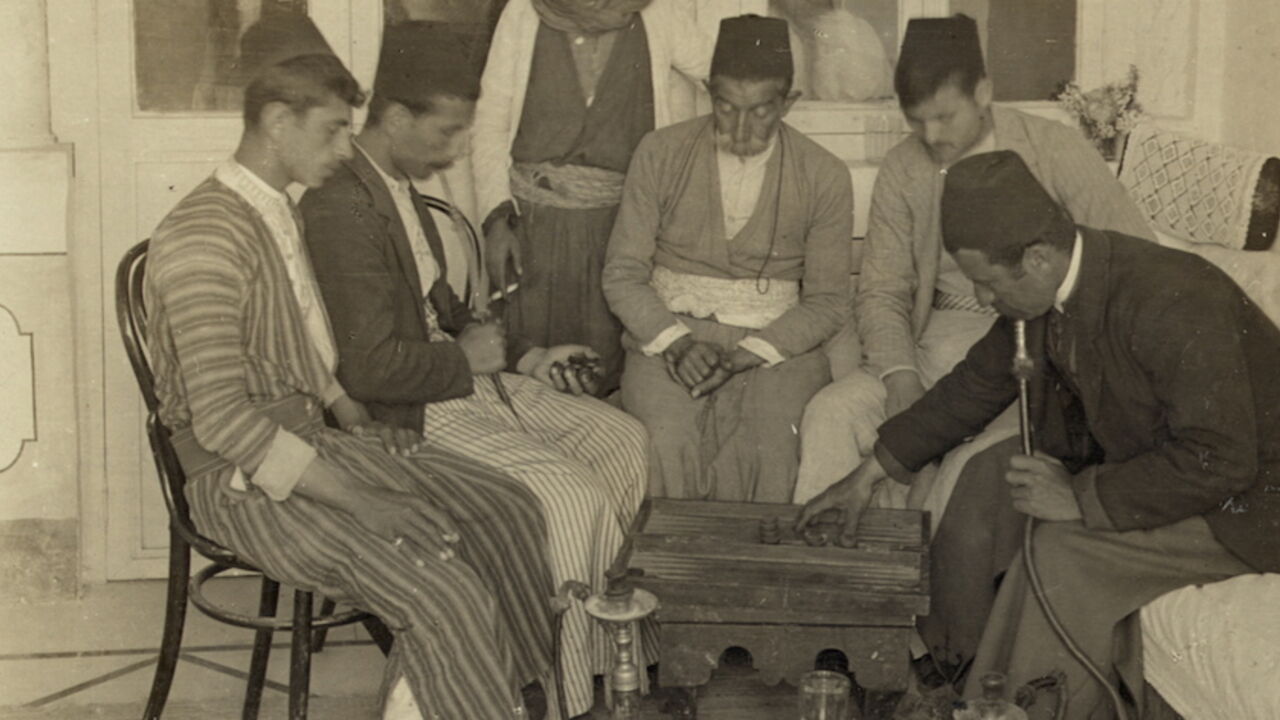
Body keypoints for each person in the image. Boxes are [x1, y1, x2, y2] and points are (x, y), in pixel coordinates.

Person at [143, 14, 559, 720]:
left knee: (509, 509)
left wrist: (357, 422)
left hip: (316, 443)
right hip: (239, 479)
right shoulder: (205, 238)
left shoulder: (276, 210)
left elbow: (301, 347)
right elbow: (221, 421)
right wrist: (367, 498)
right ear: (277, 120)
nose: (347, 147)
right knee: (442, 588)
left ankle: (503, 701)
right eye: (334, 129)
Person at [799, 150, 1280, 719]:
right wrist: (866, 476)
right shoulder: (1043, 294)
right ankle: (973, 693)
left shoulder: (1175, 297)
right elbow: (970, 390)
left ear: (1037, 257)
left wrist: (1078, 497)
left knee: (1058, 546)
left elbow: (1222, 459)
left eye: (985, 283)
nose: (980, 299)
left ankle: (1008, 706)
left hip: (1251, 506)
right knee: (994, 493)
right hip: (1173, 477)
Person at [298, 22, 649, 719]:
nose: (459, 150)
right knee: (570, 494)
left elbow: (445, 311)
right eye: (447, 133)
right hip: (409, 411)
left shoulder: (397, 184)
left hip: (457, 380)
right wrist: (465, 361)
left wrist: (528, 358)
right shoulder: (342, 204)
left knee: (623, 441)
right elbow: (367, 369)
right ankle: (565, 696)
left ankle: (594, 665)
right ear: (395, 118)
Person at [793, 14, 1154, 507]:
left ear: (983, 92)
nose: (931, 134)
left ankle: (926, 576)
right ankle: (829, 574)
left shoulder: (1054, 148)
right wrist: (900, 376)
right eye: (916, 119)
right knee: (829, 414)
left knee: (968, 467)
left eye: (945, 117)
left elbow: (1132, 257)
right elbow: (881, 290)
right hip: (933, 339)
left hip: (1035, 350)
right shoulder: (904, 167)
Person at [603, 15, 852, 503]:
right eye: (725, 106)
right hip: (667, 334)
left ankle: (751, 576)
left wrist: (743, 356)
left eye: (760, 111)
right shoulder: (659, 153)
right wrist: (676, 344)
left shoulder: (824, 174)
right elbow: (623, 275)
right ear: (707, 92)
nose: (740, 128)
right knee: (665, 439)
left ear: (789, 103)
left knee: (769, 444)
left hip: (777, 346)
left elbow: (826, 303)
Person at [471, 0, 713, 394]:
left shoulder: (654, 13)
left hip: (621, 229)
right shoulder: (523, 13)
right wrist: (496, 220)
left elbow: (724, 74)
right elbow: (490, 123)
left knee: (607, 368)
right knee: (532, 364)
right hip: (533, 229)